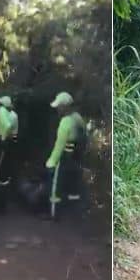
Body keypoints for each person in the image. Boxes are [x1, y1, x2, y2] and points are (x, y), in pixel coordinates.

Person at [45, 92, 87, 221]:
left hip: (65, 157)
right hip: (77, 157)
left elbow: (60, 145)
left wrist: (51, 162)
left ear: (65, 107)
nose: (57, 109)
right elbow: (85, 137)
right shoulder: (78, 118)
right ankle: (75, 214)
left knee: (55, 187)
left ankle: (54, 214)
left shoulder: (65, 121)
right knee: (73, 186)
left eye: (59, 106)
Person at [0, 96, 17, 187]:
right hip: (9, 139)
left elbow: (7, 126)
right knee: (7, 161)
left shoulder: (1, 112)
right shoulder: (13, 114)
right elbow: (14, 131)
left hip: (2, 139)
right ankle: (6, 179)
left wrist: (3, 138)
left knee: (0, 161)